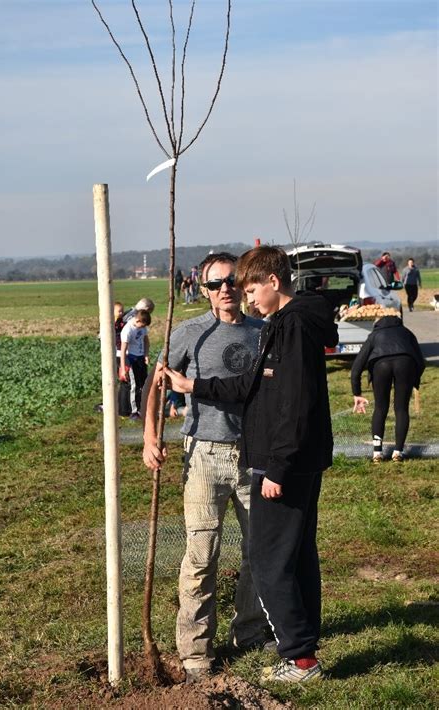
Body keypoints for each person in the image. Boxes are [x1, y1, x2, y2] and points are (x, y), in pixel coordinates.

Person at [164, 245, 338, 685]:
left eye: (250, 288)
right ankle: (304, 649)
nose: (245, 298)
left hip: (283, 464)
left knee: (268, 560)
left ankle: (299, 659)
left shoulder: (291, 327)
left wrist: (277, 467)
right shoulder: (282, 325)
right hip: (278, 458)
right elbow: (254, 385)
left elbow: (295, 404)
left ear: (274, 283)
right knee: (296, 557)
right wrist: (195, 385)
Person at [143, 252, 269, 684]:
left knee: (259, 551)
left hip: (254, 456)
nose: (226, 289)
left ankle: (250, 632)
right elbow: (156, 384)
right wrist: (149, 437)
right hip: (204, 456)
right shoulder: (190, 333)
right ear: (204, 290)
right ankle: (196, 652)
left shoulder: (263, 332)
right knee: (202, 554)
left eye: (232, 280)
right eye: (216, 284)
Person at [351, 315, 425, 462]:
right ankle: (398, 451)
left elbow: (356, 367)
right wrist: (414, 379)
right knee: (401, 409)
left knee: (380, 408)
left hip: (380, 365)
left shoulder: (374, 335)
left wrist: (357, 393)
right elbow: (421, 361)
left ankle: (377, 453)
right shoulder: (407, 332)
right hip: (406, 363)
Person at [119, 309, 151, 420]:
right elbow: (123, 350)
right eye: (142, 325)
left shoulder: (143, 327)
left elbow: (146, 340)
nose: (143, 328)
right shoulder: (127, 330)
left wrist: (146, 354)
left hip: (141, 357)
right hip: (131, 358)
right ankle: (134, 411)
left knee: (144, 383)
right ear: (137, 321)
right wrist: (123, 368)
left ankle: (143, 407)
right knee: (135, 385)